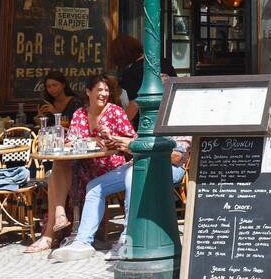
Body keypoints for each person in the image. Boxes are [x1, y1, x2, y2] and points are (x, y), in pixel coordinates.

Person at [26, 74, 134, 253]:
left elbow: (133, 141)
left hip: (109, 166)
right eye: (99, 90)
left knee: (58, 176)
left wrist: (112, 138)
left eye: (106, 90)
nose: (104, 94)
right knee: (59, 164)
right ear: (88, 92)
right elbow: (68, 143)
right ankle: (59, 216)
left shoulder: (115, 112)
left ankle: (49, 235)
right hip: (84, 166)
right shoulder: (80, 114)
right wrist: (90, 138)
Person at [54, 119, 188, 262]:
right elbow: (135, 141)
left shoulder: (181, 119)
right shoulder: (151, 117)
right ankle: (82, 241)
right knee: (94, 187)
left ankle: (127, 238)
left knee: (133, 176)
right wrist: (113, 138)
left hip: (168, 167)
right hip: (137, 162)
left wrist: (135, 147)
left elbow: (177, 157)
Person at [109, 35, 144, 122]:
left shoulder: (131, 72)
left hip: (144, 122)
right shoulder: (164, 63)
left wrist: (121, 125)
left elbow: (134, 104)